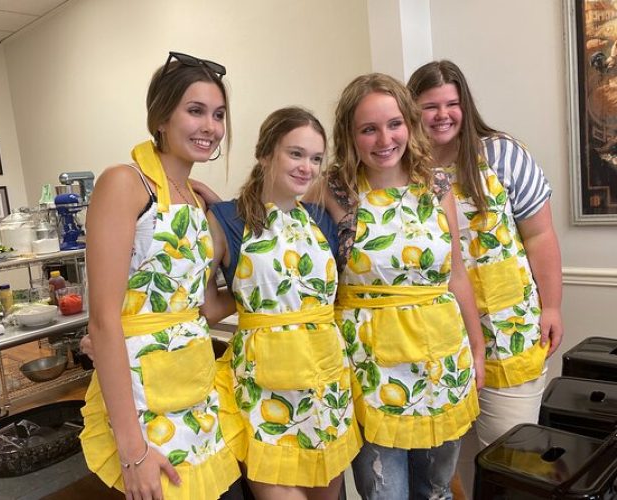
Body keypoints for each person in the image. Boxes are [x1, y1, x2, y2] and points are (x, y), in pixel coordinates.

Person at [311, 73, 485, 500]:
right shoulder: (332, 190)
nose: (384, 139)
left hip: (442, 362)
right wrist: (218, 206)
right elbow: (277, 207)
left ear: (409, 122)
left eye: (393, 124)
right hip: (368, 369)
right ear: (350, 136)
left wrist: (477, 349)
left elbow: (456, 274)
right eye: (368, 129)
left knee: (436, 490)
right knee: (384, 494)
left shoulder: (436, 185)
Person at [79, 52, 241, 500]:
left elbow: (203, 307)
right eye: (195, 111)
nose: (210, 126)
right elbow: (104, 322)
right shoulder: (124, 184)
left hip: (195, 391)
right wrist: (133, 450)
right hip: (144, 406)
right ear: (161, 117)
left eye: (219, 114)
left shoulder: (195, 198)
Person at [407, 60, 563, 497]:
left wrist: (551, 305)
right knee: (451, 465)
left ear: (465, 105)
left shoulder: (502, 154)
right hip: (438, 341)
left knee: (513, 463)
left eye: (452, 103)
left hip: (506, 332)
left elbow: (540, 234)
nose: (443, 114)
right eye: (430, 105)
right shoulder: (403, 168)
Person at [208, 107, 361, 500]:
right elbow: (202, 305)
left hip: (324, 390)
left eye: (314, 158)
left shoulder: (320, 217)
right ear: (265, 154)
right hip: (264, 396)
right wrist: (251, 303)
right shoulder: (226, 219)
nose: (307, 167)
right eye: (295, 154)